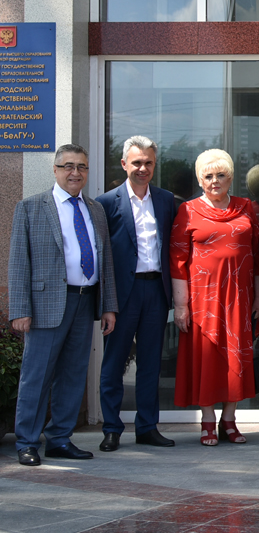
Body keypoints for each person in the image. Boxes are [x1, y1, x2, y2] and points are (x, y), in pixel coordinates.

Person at [9, 144, 117, 466]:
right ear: (55, 170)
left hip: (85, 301)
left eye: (81, 166)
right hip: (46, 304)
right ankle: (27, 442)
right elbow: (18, 262)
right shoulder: (30, 208)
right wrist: (20, 309)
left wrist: (108, 305)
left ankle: (59, 439)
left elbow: (106, 260)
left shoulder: (95, 209)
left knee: (73, 374)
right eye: (68, 166)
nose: (75, 172)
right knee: (36, 376)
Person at [171, 149, 259, 446]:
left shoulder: (245, 207)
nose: (215, 181)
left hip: (239, 297)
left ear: (231, 177)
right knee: (207, 359)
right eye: (208, 176)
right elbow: (177, 259)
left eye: (221, 175)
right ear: (200, 179)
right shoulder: (188, 210)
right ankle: (208, 420)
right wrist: (181, 305)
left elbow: (258, 256)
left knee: (235, 357)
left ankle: (230, 420)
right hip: (203, 301)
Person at [96, 136, 176, 452]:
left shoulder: (166, 200)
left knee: (151, 363)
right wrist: (107, 302)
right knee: (114, 363)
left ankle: (147, 427)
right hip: (121, 294)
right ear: (124, 164)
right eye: (137, 162)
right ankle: (111, 429)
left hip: (156, 290)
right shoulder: (105, 203)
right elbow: (102, 255)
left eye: (148, 163)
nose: (143, 168)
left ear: (155, 165)